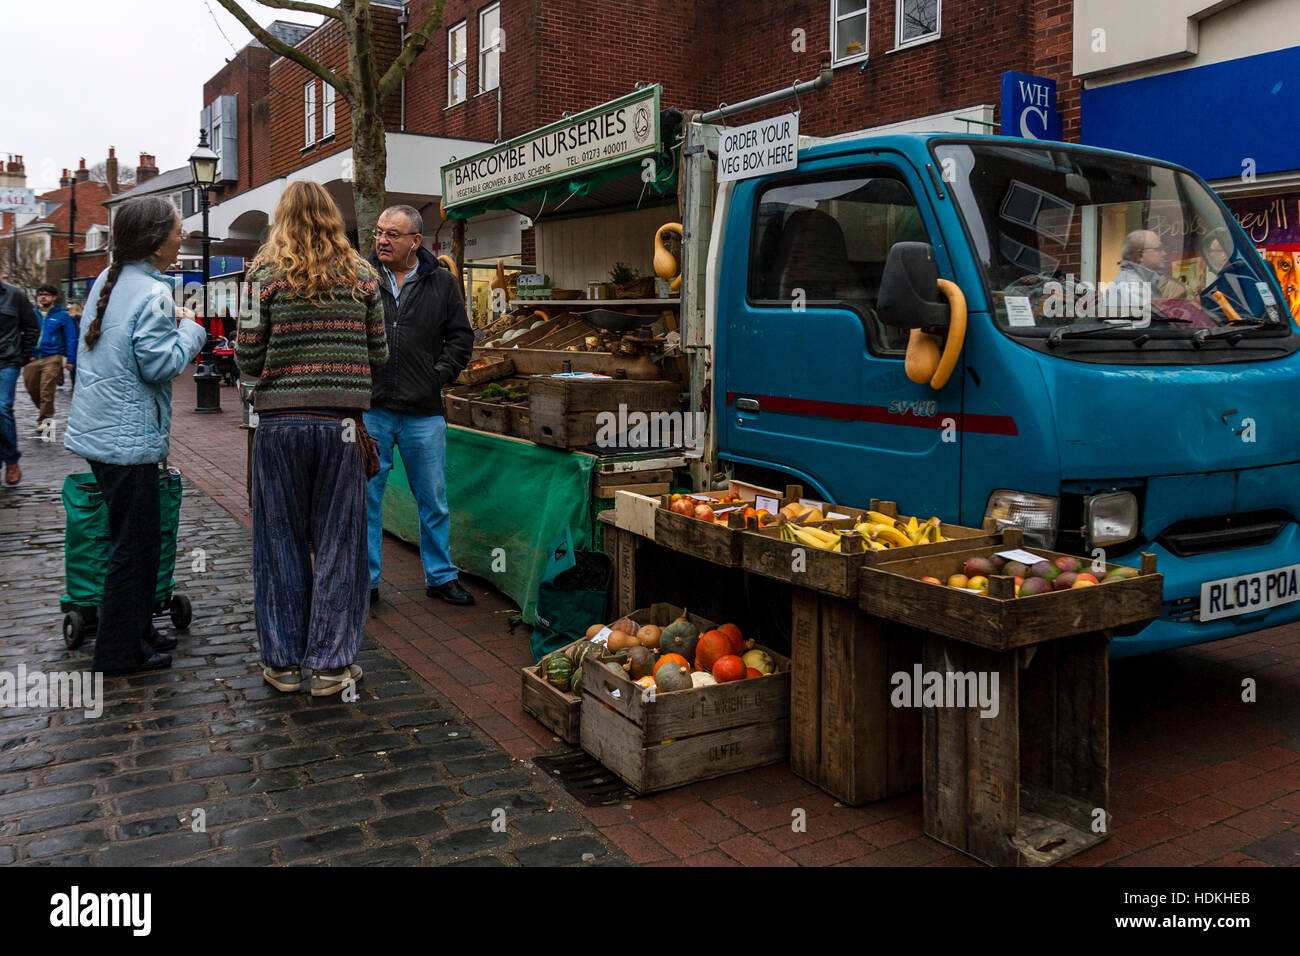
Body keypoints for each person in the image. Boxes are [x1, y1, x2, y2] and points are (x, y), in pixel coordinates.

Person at [237, 181, 388, 696]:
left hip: (278, 427)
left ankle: (280, 664)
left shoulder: (261, 276)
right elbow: (380, 353)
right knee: (339, 544)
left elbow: (247, 357)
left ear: (281, 218)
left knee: (278, 541)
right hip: (340, 425)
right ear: (333, 218)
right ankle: (328, 666)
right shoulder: (364, 276)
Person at [63, 197, 207, 675]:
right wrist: (192, 331)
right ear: (153, 239)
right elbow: (159, 364)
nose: (180, 238)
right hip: (127, 441)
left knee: (134, 541)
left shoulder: (110, 278)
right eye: (176, 231)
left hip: (102, 434)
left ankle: (138, 631)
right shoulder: (152, 293)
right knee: (134, 546)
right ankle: (119, 651)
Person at [364, 204, 475, 608]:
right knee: (367, 500)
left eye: (392, 234)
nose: (382, 240)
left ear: (415, 241)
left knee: (433, 501)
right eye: (379, 232)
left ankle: (441, 577)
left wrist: (439, 374)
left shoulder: (442, 283)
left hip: (424, 413)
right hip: (372, 410)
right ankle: (367, 581)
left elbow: (461, 338)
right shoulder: (361, 279)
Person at [0, 272, 40, 486]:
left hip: (6, 361)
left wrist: (23, 355)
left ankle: (11, 460)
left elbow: (32, 326)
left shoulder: (14, 295)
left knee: (2, 407)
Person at [24, 283, 77, 427]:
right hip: (32, 357)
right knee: (32, 389)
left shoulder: (62, 316)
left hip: (53, 357)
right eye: (40, 295)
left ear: (54, 297)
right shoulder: (32, 314)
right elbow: (23, 332)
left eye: (46, 295)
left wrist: (70, 360)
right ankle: (47, 411)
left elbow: (71, 338)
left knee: (47, 390)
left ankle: (45, 422)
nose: (43, 297)